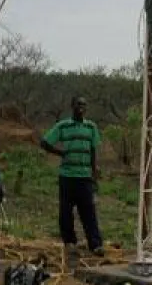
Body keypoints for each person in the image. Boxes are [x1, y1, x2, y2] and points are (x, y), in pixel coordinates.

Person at [40, 96, 104, 256]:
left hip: (84, 177)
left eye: (84, 105)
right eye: (78, 104)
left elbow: (93, 151)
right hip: (67, 176)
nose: (81, 107)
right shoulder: (63, 126)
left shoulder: (91, 127)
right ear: (72, 106)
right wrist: (60, 153)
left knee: (88, 212)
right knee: (66, 211)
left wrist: (94, 171)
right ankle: (69, 243)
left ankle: (95, 245)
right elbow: (44, 142)